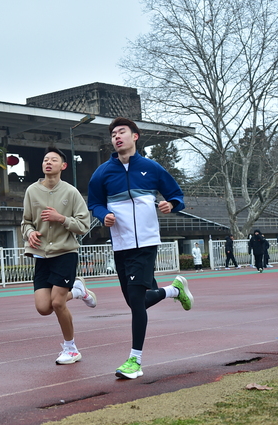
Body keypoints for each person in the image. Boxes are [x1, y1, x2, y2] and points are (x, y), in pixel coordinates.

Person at [87, 117, 193, 380]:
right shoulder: (102, 172)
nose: (117, 136)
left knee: (136, 301)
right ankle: (173, 290)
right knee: (135, 302)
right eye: (113, 134)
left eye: (122, 132)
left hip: (146, 242)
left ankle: (135, 360)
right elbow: (94, 203)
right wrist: (103, 215)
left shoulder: (151, 168)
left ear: (135, 136)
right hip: (120, 244)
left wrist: (171, 205)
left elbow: (177, 195)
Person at [22, 147, 97, 365]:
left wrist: (61, 218)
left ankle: (71, 349)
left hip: (65, 253)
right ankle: (78, 290)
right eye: (45, 159)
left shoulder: (71, 193)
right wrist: (30, 232)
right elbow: (26, 222)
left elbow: (84, 225)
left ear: (63, 166)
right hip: (41, 256)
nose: (48, 162)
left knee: (57, 303)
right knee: (43, 308)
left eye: (53, 160)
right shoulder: (31, 191)